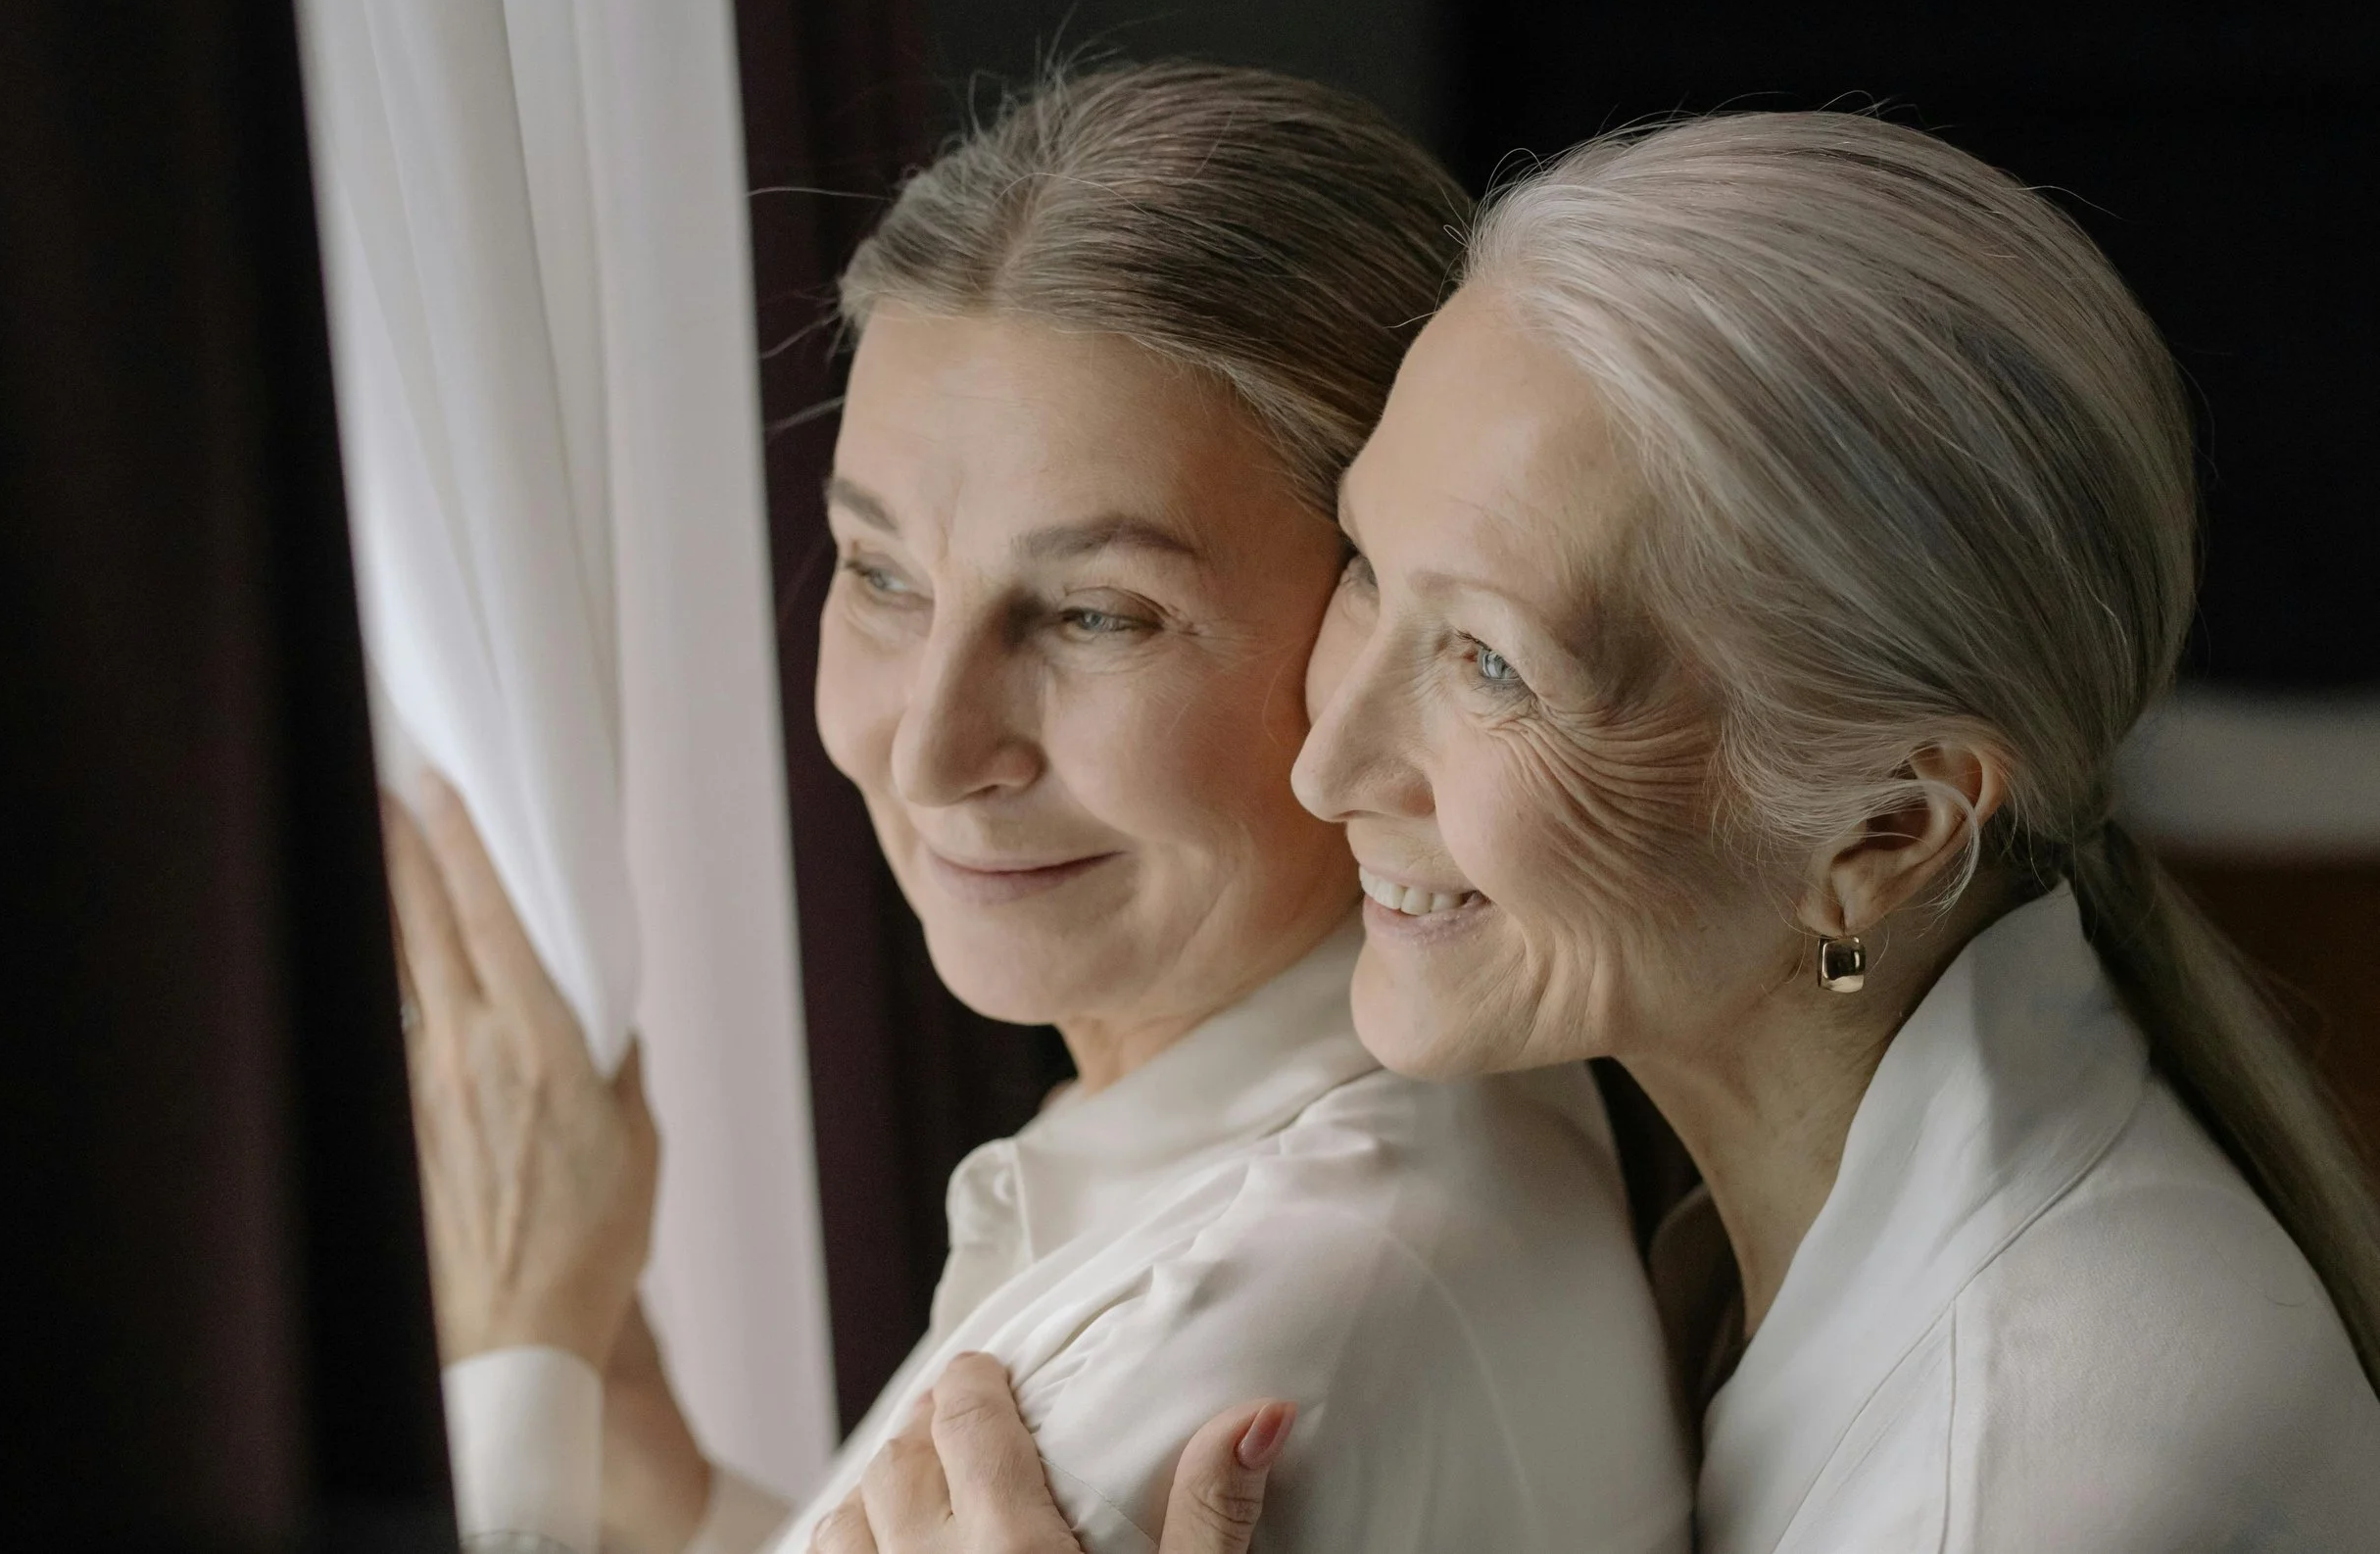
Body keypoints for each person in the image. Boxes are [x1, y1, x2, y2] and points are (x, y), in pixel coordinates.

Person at [855, 110, 2380, 1551]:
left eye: (1493, 664)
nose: (1328, 763)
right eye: (1373, 572)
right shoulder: (1749, 1210)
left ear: (1889, 829)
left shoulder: (2025, 1485)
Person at [387, 62, 1691, 1554]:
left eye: (1094, 616)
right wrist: (650, 1469)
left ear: (1382, 629)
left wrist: (513, 1379)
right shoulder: (1336, 1152)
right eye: (882, 575)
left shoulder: (1254, 1332)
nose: (934, 750)